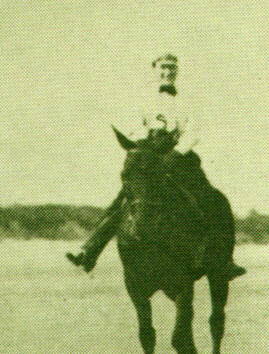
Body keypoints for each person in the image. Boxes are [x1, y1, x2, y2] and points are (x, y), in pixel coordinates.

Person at [66, 54, 246, 280]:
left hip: (179, 157)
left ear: (177, 71)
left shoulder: (188, 99)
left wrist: (177, 151)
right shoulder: (143, 97)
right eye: (163, 68)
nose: (168, 72)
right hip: (149, 155)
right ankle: (89, 250)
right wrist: (146, 143)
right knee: (124, 199)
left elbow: (194, 130)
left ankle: (224, 261)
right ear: (154, 69)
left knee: (215, 200)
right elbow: (134, 125)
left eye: (172, 68)